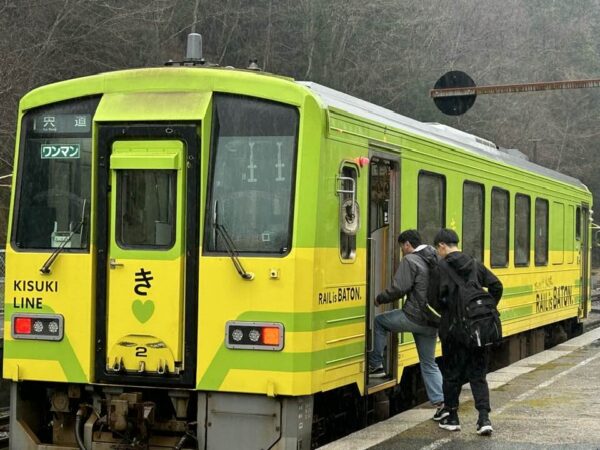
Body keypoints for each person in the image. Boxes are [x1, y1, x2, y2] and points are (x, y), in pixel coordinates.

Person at [368, 229, 447, 421]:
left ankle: (376, 365)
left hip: (413, 317)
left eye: (401, 247)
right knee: (429, 363)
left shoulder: (410, 260)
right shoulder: (435, 256)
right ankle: (443, 404)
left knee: (380, 322)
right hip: (432, 320)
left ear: (407, 244)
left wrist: (380, 298)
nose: (401, 251)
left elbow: (399, 288)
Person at [433, 228, 503, 436]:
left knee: (452, 375)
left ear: (442, 245)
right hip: (477, 330)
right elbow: (497, 286)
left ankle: (452, 417)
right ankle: (484, 419)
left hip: (453, 331)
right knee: (478, 375)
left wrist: (448, 312)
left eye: (437, 249)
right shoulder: (474, 263)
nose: (437, 253)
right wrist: (482, 312)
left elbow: (433, 299)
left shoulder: (440, 268)